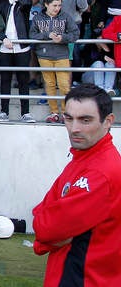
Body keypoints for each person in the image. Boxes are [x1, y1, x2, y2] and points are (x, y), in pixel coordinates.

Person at [32, 83, 121, 286]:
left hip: (82, 278)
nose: (74, 128)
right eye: (69, 118)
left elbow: (45, 228)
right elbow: (40, 213)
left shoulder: (101, 172)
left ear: (108, 122)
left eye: (85, 120)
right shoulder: (84, 157)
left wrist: (44, 237)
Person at [31, 0, 80, 123]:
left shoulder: (66, 17)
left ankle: (66, 113)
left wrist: (62, 38)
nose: (57, 8)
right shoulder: (38, 18)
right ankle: (53, 112)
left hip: (62, 55)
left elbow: (75, 34)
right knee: (50, 84)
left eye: (59, 5)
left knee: (64, 85)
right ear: (46, 4)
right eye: (54, 5)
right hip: (44, 55)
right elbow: (32, 35)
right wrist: (47, 35)